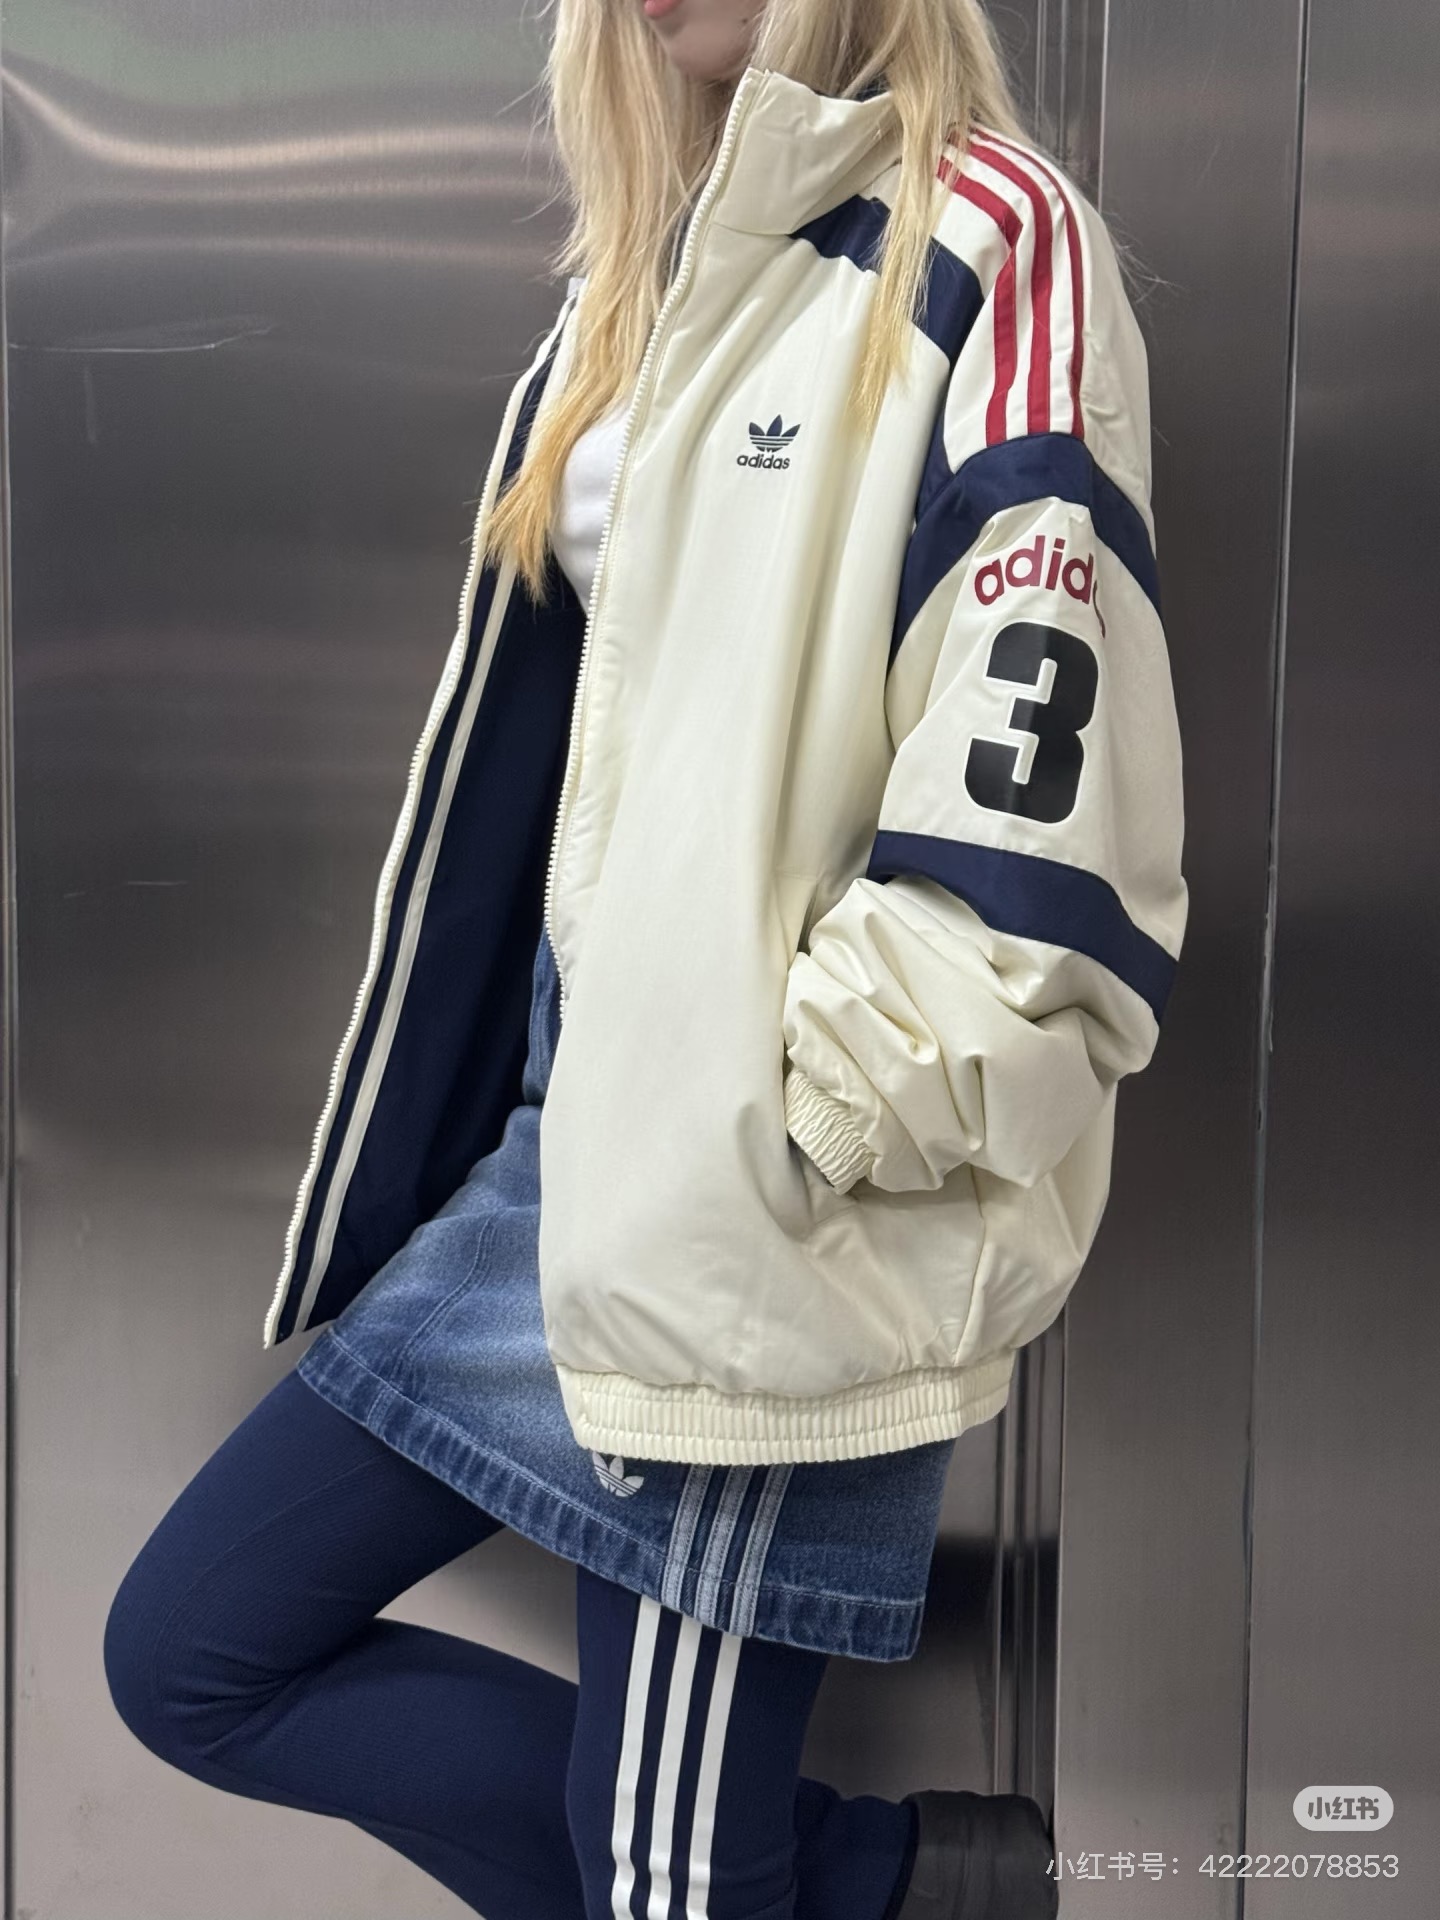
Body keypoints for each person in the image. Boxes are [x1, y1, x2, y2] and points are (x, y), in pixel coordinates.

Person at [103, 1, 1187, 1917]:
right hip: (567, 1164)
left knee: (673, 1877)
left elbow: (1041, 758)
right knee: (197, 1651)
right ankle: (888, 1883)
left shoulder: (990, 238)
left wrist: (821, 1116)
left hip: (768, 1189)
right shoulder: (658, 266)